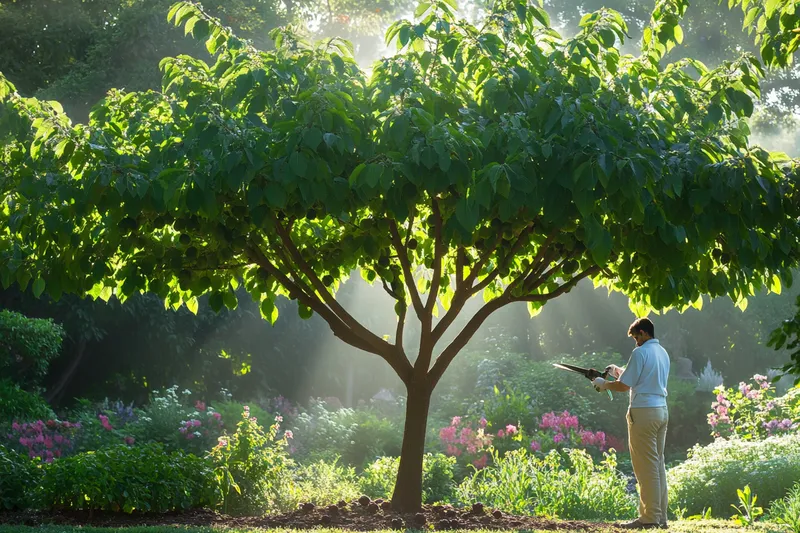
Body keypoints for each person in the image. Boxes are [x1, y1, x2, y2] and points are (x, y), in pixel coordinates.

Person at [592, 317, 670, 530]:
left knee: (646, 467)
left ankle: (649, 519)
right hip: (661, 411)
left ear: (644, 333)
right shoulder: (662, 352)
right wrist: (617, 370)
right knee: (657, 464)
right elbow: (639, 377)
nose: (636, 341)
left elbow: (625, 387)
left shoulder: (641, 352)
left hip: (643, 412)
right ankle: (660, 517)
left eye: (637, 337)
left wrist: (604, 384)